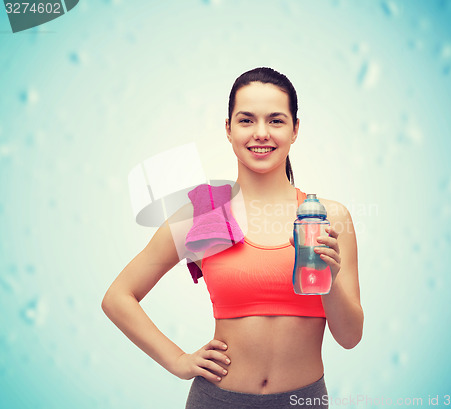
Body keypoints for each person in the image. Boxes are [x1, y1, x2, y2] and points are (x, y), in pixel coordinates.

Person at [101, 67, 363, 409]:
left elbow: (349, 337)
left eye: (276, 120)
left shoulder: (326, 218)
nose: (261, 133)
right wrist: (178, 360)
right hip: (216, 400)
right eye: (246, 120)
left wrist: (330, 276)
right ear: (228, 129)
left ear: (296, 129)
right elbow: (118, 297)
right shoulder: (207, 213)